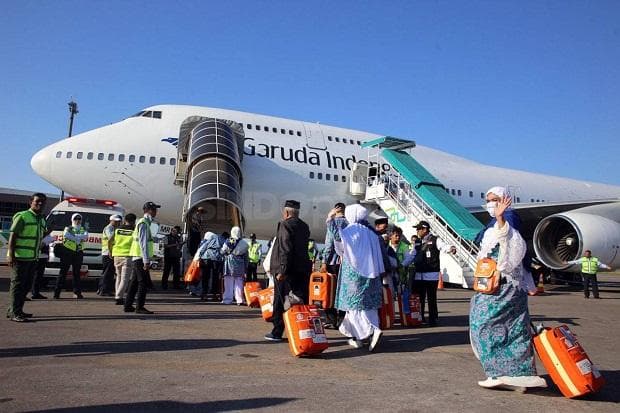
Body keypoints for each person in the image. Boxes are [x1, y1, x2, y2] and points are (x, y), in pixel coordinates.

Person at [470, 190, 547, 391]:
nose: (490, 204)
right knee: (510, 328)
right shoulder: (492, 225)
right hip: (495, 285)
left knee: (484, 325)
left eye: (495, 200)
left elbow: (510, 244)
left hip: (505, 286)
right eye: (488, 201)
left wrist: (501, 218)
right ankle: (505, 373)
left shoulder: (508, 220)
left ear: (505, 201)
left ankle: (508, 372)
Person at [335, 204, 385, 352]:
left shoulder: (349, 231)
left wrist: (334, 218)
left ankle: (373, 329)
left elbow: (338, 244)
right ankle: (357, 338)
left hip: (353, 276)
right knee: (369, 306)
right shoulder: (371, 233)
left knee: (355, 307)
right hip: (372, 276)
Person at [264, 200, 310, 342]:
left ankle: (277, 331)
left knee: (279, 300)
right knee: (300, 299)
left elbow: (285, 248)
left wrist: (282, 270)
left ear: (287, 213)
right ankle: (302, 330)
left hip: (287, 270)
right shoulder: (304, 226)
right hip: (302, 269)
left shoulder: (285, 225)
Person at [6, 193, 47, 322]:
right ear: (31, 202)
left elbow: (39, 236)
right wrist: (11, 255)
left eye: (42, 202)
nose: (40, 204)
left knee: (26, 286)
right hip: (19, 257)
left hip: (32, 258)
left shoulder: (41, 219)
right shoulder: (22, 216)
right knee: (17, 286)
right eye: (37, 201)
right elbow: (13, 236)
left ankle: (16, 310)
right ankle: (14, 312)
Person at [412, 220, 455, 326]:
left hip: (431, 275)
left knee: (431, 298)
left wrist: (451, 248)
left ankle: (433, 318)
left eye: (419, 229)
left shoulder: (435, 240)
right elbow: (412, 255)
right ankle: (420, 317)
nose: (417, 231)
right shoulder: (417, 241)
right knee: (420, 298)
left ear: (425, 229)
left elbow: (444, 246)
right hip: (419, 275)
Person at [124, 202, 160, 314]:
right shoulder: (144, 223)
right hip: (140, 257)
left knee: (134, 282)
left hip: (137, 257)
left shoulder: (145, 223)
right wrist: (146, 260)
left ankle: (128, 305)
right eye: (154, 209)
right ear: (148, 210)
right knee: (142, 282)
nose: (155, 212)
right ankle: (139, 306)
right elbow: (143, 243)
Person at [320, 202, 348, 328]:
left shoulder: (333, 223)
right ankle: (343, 319)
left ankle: (331, 319)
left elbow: (329, 244)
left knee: (329, 291)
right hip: (345, 262)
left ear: (335, 210)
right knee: (343, 291)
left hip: (333, 262)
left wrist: (324, 262)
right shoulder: (349, 223)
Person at [54, 213, 89, 299]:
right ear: (72, 220)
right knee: (63, 273)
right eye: (75, 219)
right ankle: (56, 293)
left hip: (78, 252)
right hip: (67, 252)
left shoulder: (83, 228)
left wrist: (75, 236)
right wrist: (78, 238)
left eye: (79, 219)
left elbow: (85, 236)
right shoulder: (68, 228)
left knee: (77, 274)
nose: (77, 221)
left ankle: (77, 293)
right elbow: (66, 235)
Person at [220, 226, 249, 305]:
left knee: (228, 282)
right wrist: (245, 268)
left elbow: (223, 251)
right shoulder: (244, 243)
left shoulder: (230, 240)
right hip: (240, 264)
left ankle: (227, 299)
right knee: (239, 282)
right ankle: (239, 300)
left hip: (230, 263)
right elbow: (246, 257)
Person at [112, 213, 136, 305]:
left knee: (118, 276)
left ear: (125, 220)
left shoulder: (118, 229)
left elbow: (112, 240)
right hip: (127, 256)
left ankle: (118, 296)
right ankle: (119, 297)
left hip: (116, 255)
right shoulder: (134, 230)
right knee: (125, 279)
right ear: (133, 221)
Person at [98, 214, 122, 296]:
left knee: (107, 272)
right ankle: (104, 290)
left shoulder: (114, 228)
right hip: (108, 253)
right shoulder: (109, 228)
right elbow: (111, 239)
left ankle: (101, 289)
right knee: (108, 272)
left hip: (110, 252)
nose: (118, 222)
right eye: (116, 221)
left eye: (119, 221)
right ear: (111, 220)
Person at [196, 231, 223, 301]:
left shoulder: (209, 240)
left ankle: (204, 294)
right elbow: (223, 250)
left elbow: (203, 248)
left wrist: (199, 257)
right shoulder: (220, 240)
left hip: (206, 259)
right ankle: (214, 295)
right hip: (216, 260)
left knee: (205, 277)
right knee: (215, 278)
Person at [31, 231, 53, 300]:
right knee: (34, 275)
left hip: (43, 255)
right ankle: (33, 292)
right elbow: (40, 244)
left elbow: (47, 244)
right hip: (36, 255)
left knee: (39, 275)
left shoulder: (45, 231)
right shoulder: (37, 230)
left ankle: (36, 293)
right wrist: (45, 241)